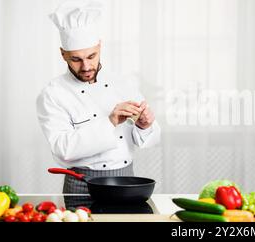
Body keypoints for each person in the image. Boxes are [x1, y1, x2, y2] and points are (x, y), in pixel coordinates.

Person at [36, 0, 161, 197]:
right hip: (81, 184)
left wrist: (144, 126)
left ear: (100, 46)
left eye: (92, 56)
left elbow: (150, 139)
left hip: (126, 180)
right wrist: (110, 122)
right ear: (63, 54)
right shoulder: (53, 94)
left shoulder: (123, 83)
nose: (86, 66)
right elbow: (63, 148)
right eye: (76, 59)